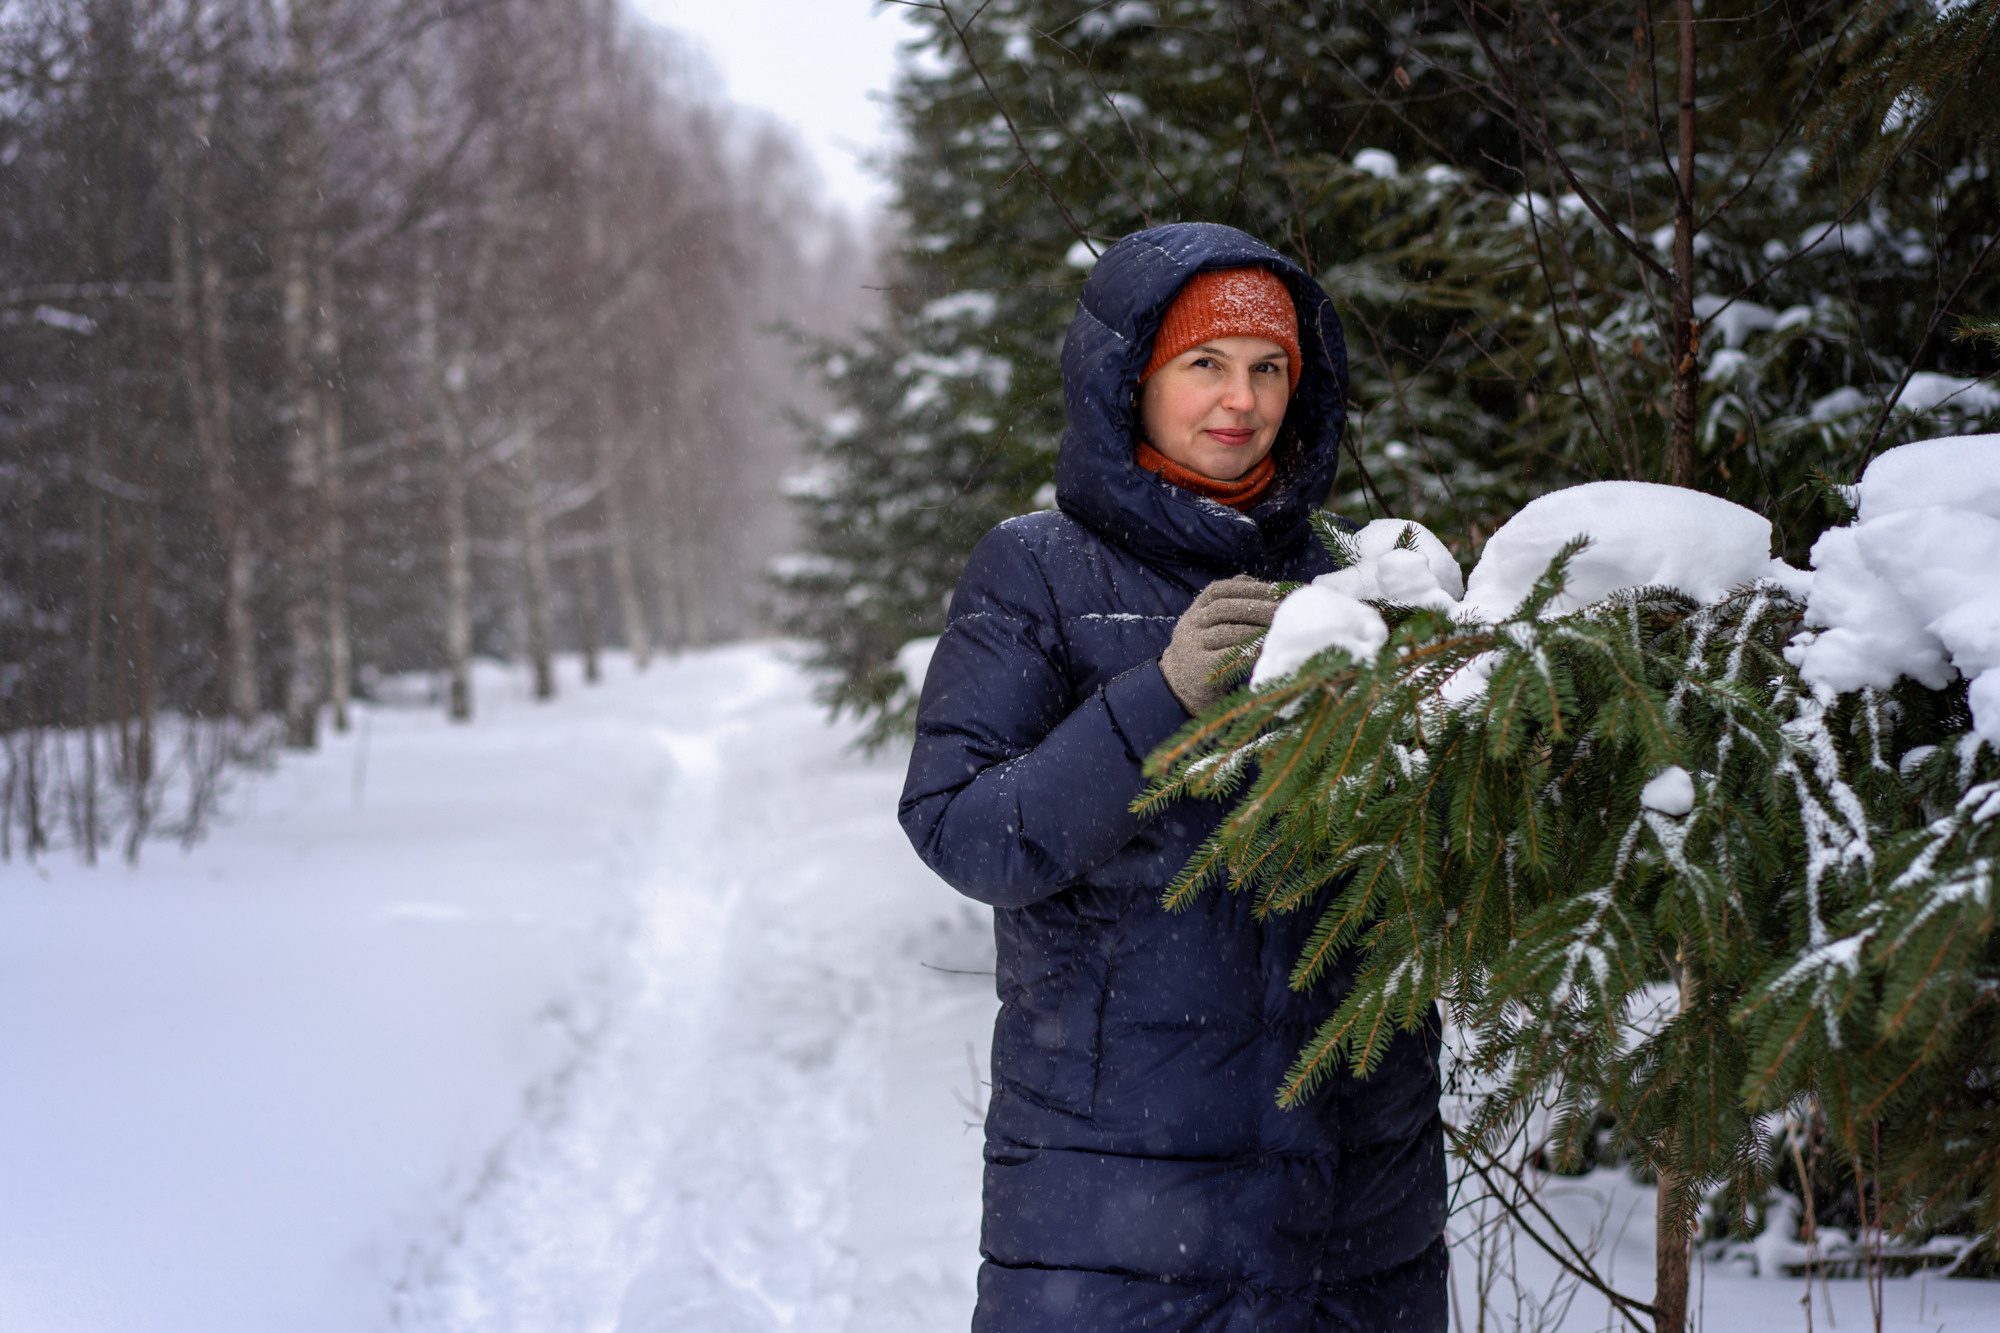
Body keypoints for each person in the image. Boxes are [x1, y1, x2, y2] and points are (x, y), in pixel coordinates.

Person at [900, 222, 1447, 1332]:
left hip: (1357, 1190)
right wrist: (1159, 696)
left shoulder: (1350, 570)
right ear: (1130, 379)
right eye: (1203, 363)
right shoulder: (1035, 571)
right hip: (1113, 1198)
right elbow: (965, 830)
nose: (1238, 400)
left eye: (1268, 367)